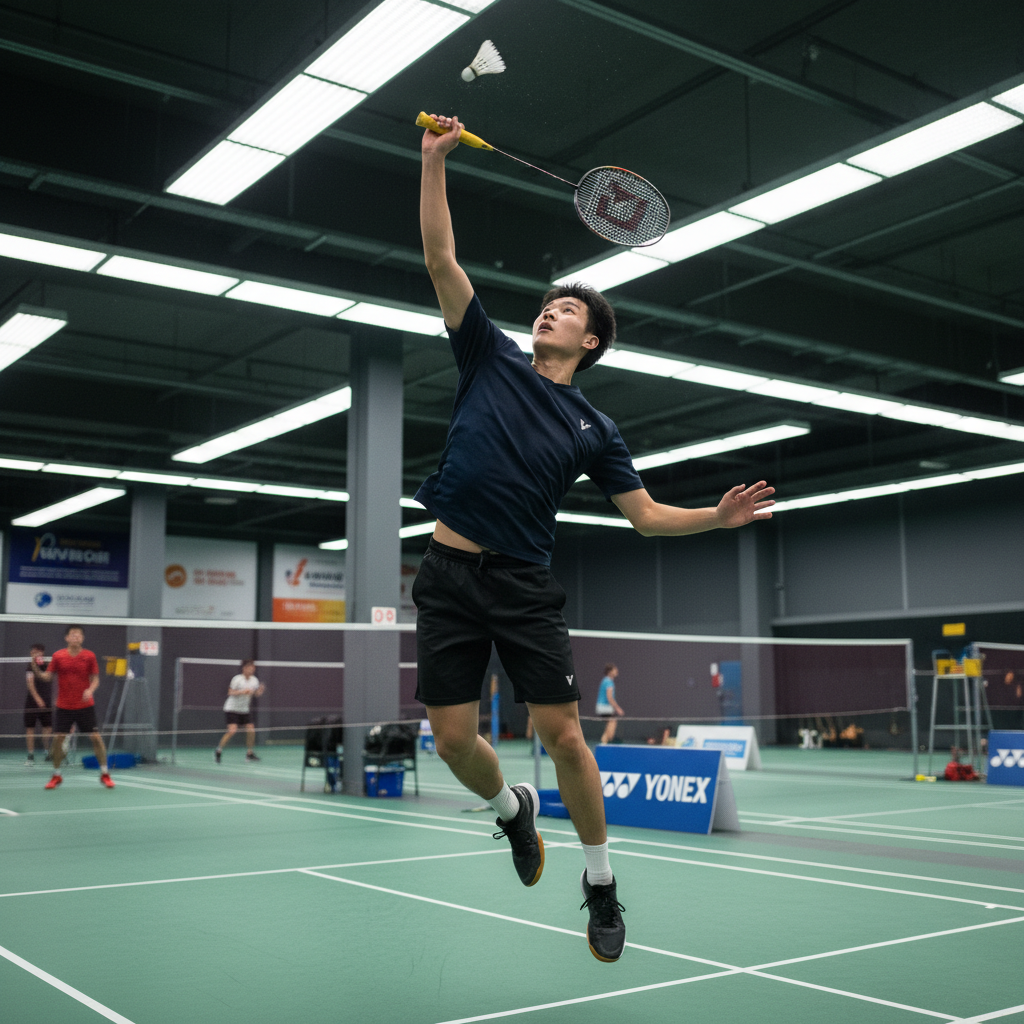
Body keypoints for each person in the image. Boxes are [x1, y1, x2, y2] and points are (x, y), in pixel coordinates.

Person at [414, 114, 775, 963]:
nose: (550, 312)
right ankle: (513, 815)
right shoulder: (488, 359)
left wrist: (716, 518)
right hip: (445, 573)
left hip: (523, 584)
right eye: (546, 305)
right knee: (453, 739)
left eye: (567, 310)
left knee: (565, 734)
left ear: (591, 340)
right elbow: (441, 260)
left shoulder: (593, 425)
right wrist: (433, 164)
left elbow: (644, 516)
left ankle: (602, 886)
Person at [33, 625, 114, 789]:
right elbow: (46, 677)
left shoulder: (89, 656)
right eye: (72, 634)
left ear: (82, 638)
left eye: (79, 635)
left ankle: (105, 774)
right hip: (64, 706)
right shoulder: (58, 656)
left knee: (96, 738)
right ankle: (56, 775)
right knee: (58, 740)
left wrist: (90, 690)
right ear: (67, 638)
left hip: (85, 706)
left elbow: (96, 679)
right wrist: (35, 666)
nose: (76, 637)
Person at [214, 660, 264, 763]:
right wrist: (242, 692)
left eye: (253, 667)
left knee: (251, 730)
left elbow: (255, 694)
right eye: (250, 667)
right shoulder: (237, 679)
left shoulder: (254, 680)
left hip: (244, 710)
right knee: (232, 731)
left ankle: (249, 754)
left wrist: (259, 691)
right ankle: (219, 750)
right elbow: (230, 692)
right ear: (244, 668)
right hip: (232, 708)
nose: (252, 669)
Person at [24, 643, 52, 765]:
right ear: (31, 653)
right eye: (33, 652)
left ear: (42, 653)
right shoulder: (29, 667)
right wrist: (37, 698)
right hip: (32, 703)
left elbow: (50, 677)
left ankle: (47, 752)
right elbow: (30, 684)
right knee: (30, 729)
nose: (36, 654)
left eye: (38, 652)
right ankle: (30, 756)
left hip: (46, 702)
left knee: (47, 728)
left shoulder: (48, 665)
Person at [596, 664, 624, 745]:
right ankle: (604, 743)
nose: (617, 671)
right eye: (615, 670)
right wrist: (618, 708)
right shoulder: (608, 682)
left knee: (610, 725)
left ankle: (604, 742)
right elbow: (610, 697)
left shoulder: (605, 680)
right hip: (605, 708)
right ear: (610, 672)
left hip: (602, 708)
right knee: (612, 723)